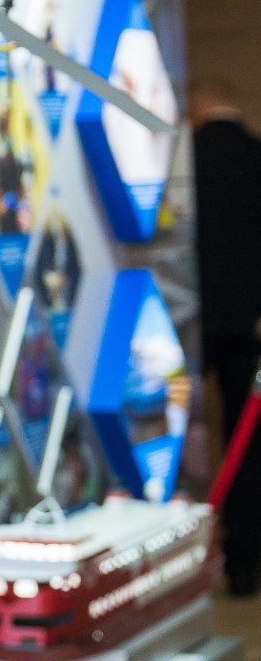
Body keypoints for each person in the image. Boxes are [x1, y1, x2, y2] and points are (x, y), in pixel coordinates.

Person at [190, 77, 261, 595]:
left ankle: (184, 560)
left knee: (184, 436)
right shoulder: (257, 156)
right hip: (249, 326)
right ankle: (244, 562)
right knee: (248, 442)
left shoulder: (182, 157)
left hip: (188, 324)